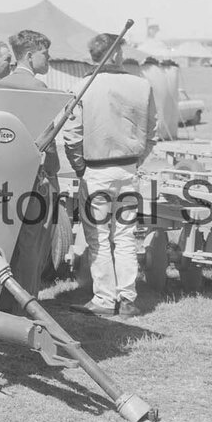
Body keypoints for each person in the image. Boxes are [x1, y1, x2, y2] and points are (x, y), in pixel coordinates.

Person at [63, 32, 157, 318]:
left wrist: (81, 168)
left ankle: (105, 299)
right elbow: (151, 133)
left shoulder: (82, 86)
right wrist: (135, 161)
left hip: (96, 171)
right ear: (116, 54)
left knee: (99, 238)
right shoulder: (142, 85)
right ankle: (127, 298)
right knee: (126, 236)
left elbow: (71, 135)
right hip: (128, 169)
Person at [0, 29, 62, 312]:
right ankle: (27, 306)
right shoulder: (38, 88)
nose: (49, 58)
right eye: (45, 53)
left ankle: (1, 302)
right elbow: (48, 139)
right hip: (34, 180)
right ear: (31, 56)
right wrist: (53, 170)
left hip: (0, 179)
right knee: (31, 246)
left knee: (3, 242)